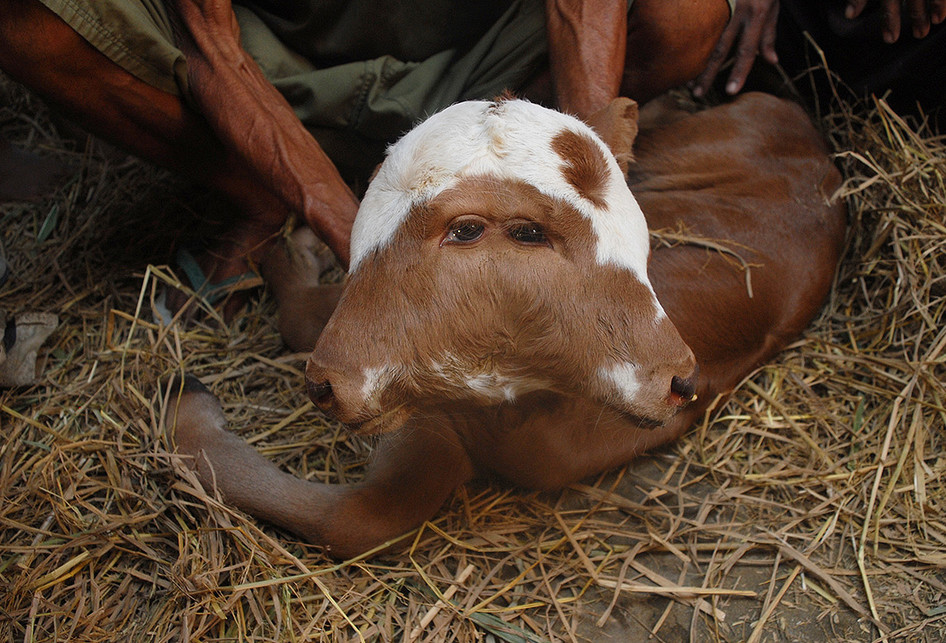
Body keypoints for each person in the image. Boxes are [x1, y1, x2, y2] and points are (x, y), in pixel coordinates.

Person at [0, 0, 733, 319]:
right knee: (27, 21)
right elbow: (213, 50)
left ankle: (500, 154)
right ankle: (265, 191)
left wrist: (580, 201)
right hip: (278, 64)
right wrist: (373, 252)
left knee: (684, 14)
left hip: (477, 57)